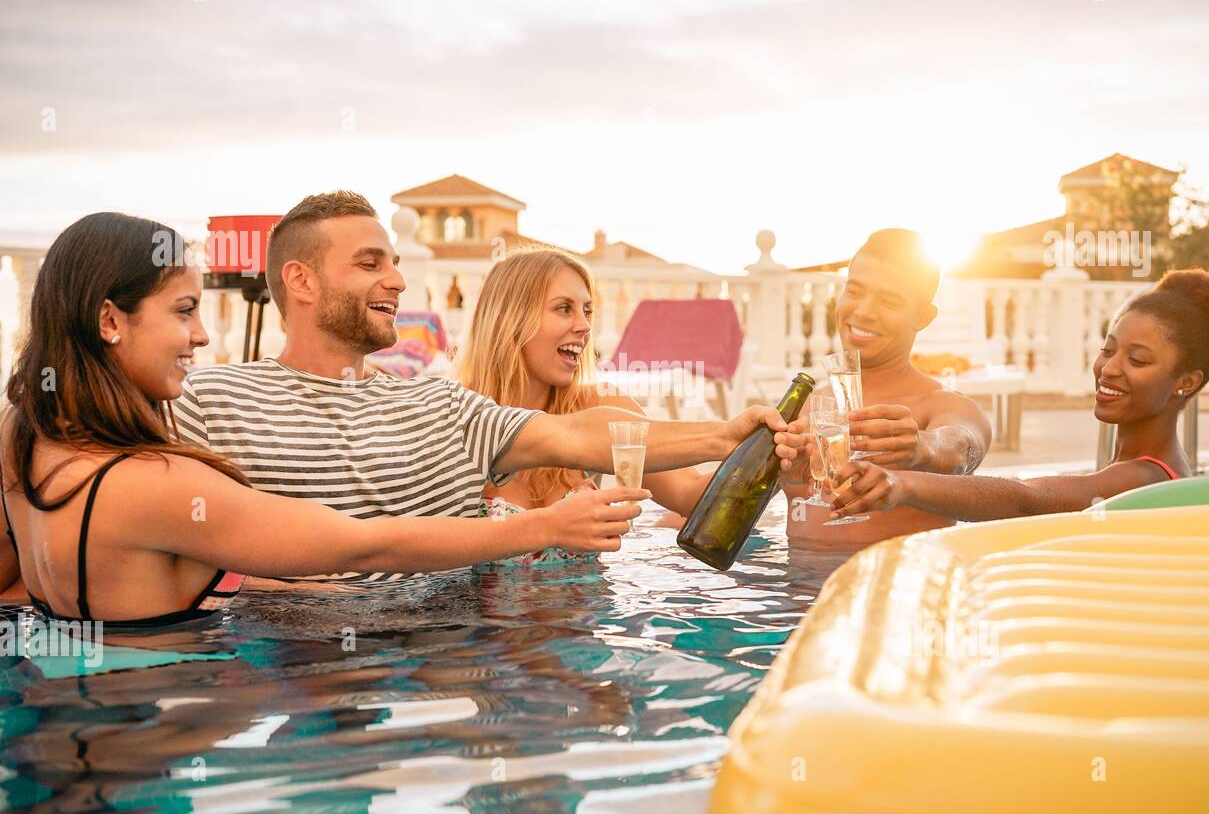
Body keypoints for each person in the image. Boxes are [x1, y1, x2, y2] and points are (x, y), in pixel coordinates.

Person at [0, 213, 653, 626]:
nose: (202, 336)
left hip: (73, 717)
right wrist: (541, 528)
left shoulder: (23, 436)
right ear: (110, 319)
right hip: (148, 735)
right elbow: (363, 542)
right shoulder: (154, 481)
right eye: (182, 313)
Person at [173, 191, 802, 582]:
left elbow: (576, 434)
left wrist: (725, 437)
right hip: (282, 662)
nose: (397, 279)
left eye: (394, 262)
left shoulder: (434, 404)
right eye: (371, 263)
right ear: (301, 282)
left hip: (447, 652)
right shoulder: (207, 400)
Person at [825, 268, 1209, 521]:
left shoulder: (1146, 479)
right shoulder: (1140, 470)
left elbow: (1025, 499)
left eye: (1138, 360)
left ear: (1186, 381)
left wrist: (902, 483)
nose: (1109, 368)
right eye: (1108, 350)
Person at [453, 246, 744, 565]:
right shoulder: (455, 415)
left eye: (587, 311)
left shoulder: (598, 404)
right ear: (510, 318)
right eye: (564, 308)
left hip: (592, 612)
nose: (584, 326)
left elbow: (690, 494)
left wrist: (771, 452)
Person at [780, 229, 992, 546]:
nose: (863, 311)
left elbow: (962, 448)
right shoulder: (805, 407)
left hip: (898, 587)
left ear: (922, 316)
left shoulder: (942, 407)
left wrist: (922, 446)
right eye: (854, 292)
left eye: (888, 301)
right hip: (796, 590)